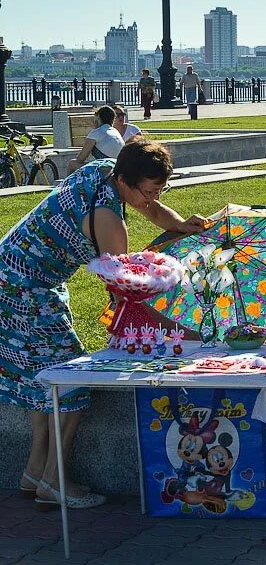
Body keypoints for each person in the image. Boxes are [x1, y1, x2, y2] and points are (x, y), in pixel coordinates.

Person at [1, 139, 205, 509]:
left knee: (42, 379)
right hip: (25, 293)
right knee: (71, 383)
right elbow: (125, 298)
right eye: (148, 190)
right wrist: (186, 333)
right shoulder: (110, 224)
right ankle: (54, 481)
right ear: (126, 181)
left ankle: (33, 472)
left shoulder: (104, 169)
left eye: (161, 189)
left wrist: (179, 224)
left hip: (13, 276)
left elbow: (151, 207)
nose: (152, 198)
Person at [68, 105, 125, 173]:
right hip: (116, 169)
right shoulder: (115, 132)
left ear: (98, 117)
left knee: (72, 164)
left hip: (103, 171)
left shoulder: (96, 132)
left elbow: (80, 159)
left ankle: (67, 184)